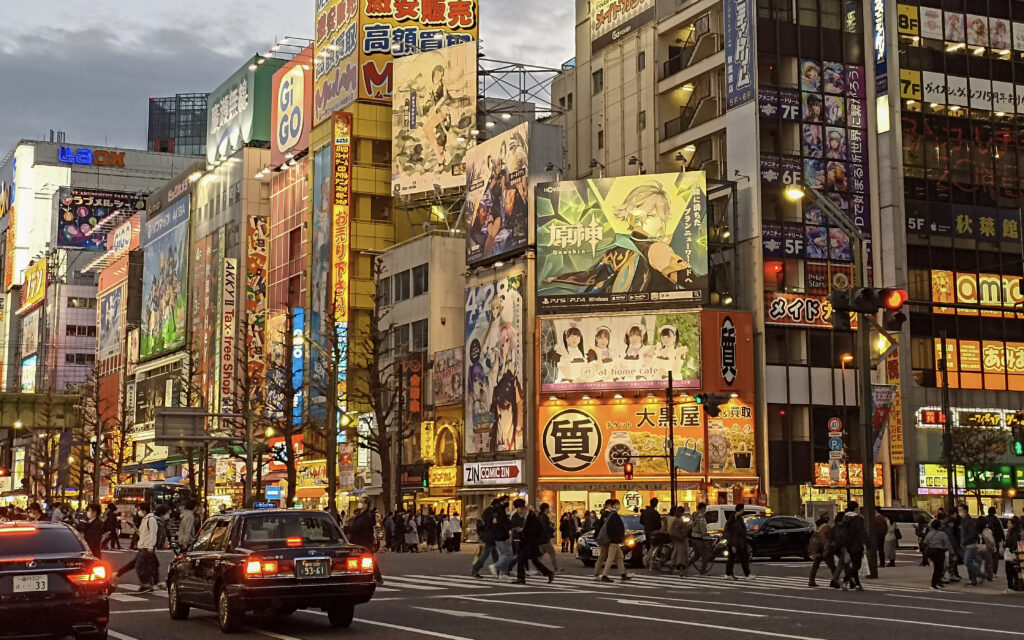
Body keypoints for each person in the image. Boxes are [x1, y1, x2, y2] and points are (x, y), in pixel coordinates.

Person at [115, 503, 159, 592]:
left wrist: (151, 546)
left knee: (139, 565)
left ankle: (146, 584)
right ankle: (149, 584)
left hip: (147, 547)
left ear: (144, 510)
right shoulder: (145, 519)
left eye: (139, 509)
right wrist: (134, 528)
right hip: (142, 546)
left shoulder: (151, 519)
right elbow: (143, 534)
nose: (138, 512)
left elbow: (153, 534)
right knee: (144, 565)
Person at [510, 500, 554, 584]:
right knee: (532, 560)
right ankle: (548, 573)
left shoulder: (531, 516)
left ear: (520, 507)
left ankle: (521, 578)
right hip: (527, 542)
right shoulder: (526, 516)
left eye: (517, 508)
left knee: (523, 559)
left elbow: (537, 529)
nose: (517, 511)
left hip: (530, 542)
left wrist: (523, 530)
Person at [471, 496, 514, 579]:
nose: (503, 504)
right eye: (502, 502)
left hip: (489, 535)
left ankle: (497, 570)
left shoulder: (489, 511)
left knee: (494, 553)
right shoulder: (493, 512)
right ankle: (475, 569)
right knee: (486, 554)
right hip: (491, 535)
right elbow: (494, 524)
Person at [830, 501, 865, 591]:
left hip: (846, 545)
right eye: (858, 508)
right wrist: (867, 544)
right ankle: (845, 579)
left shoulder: (844, 519)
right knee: (857, 565)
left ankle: (857, 584)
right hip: (856, 545)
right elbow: (861, 533)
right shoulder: (858, 519)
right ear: (855, 508)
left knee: (852, 564)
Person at [598, 500, 631, 583]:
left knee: (619, 557)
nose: (619, 506)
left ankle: (623, 573)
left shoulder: (612, 515)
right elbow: (612, 529)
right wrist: (616, 538)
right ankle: (604, 575)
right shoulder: (614, 515)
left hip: (614, 540)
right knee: (611, 558)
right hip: (614, 541)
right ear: (614, 505)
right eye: (618, 504)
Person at [923, 519, 953, 590]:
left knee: (937, 567)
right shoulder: (942, 534)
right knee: (939, 568)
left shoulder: (930, 533)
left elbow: (925, 542)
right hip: (939, 551)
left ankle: (937, 582)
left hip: (931, 551)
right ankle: (934, 583)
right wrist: (952, 552)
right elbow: (947, 543)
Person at [808, 511, 836, 587]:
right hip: (824, 548)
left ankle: (811, 580)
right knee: (832, 566)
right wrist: (826, 549)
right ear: (824, 517)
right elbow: (825, 539)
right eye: (827, 515)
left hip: (818, 548)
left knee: (816, 565)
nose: (829, 516)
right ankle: (835, 580)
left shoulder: (818, 526)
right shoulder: (826, 527)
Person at [958, 504, 983, 586]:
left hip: (970, 544)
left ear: (965, 510)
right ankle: (973, 579)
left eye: (960, 510)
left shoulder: (969, 521)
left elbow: (973, 533)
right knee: (970, 562)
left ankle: (979, 574)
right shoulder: (963, 521)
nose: (959, 512)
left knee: (967, 562)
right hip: (966, 544)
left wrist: (964, 541)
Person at [724, 505, 751, 580]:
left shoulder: (735, 518)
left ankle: (729, 574)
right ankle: (746, 574)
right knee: (740, 558)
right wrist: (733, 545)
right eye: (743, 509)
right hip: (736, 543)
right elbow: (735, 533)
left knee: (734, 559)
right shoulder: (735, 519)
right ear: (741, 509)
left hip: (737, 542)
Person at [591, 500, 612, 580]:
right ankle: (602, 574)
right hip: (607, 539)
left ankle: (597, 573)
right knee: (605, 556)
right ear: (608, 505)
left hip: (605, 539)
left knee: (604, 556)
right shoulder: (607, 515)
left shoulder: (604, 515)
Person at [667, 506, 691, 574]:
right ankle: (678, 565)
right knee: (680, 551)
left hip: (674, 537)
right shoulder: (678, 520)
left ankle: (674, 564)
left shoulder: (673, 519)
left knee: (676, 550)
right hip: (679, 537)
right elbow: (683, 528)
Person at [537, 503, 560, 572]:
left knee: (541, 554)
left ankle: (539, 568)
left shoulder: (540, 516)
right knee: (552, 553)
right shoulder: (544, 517)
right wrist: (551, 529)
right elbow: (545, 527)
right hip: (544, 538)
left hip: (541, 538)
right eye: (548, 508)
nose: (549, 509)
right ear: (545, 509)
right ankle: (556, 568)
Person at [689, 502, 710, 571]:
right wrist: (706, 535)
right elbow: (702, 528)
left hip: (693, 536)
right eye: (704, 508)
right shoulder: (701, 517)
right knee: (705, 555)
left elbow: (690, 524)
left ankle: (685, 566)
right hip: (699, 538)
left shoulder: (694, 515)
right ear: (702, 508)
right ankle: (702, 570)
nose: (705, 510)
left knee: (696, 555)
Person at [985, 507, 1005, 578]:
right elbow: (1000, 530)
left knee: (988, 556)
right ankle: (994, 572)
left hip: (987, 541)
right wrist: (1003, 539)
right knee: (995, 557)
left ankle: (987, 572)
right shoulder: (996, 520)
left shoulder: (985, 519)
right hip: (995, 540)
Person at [1004, 517, 1021, 593]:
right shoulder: (1009, 533)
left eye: (1009, 523)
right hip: (1009, 554)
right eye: (1007, 523)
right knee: (1009, 571)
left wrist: (1010, 549)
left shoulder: (1015, 534)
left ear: (1013, 525)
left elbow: (1014, 544)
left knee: (1012, 571)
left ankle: (1014, 586)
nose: (1007, 524)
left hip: (1012, 554)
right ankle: (1011, 586)